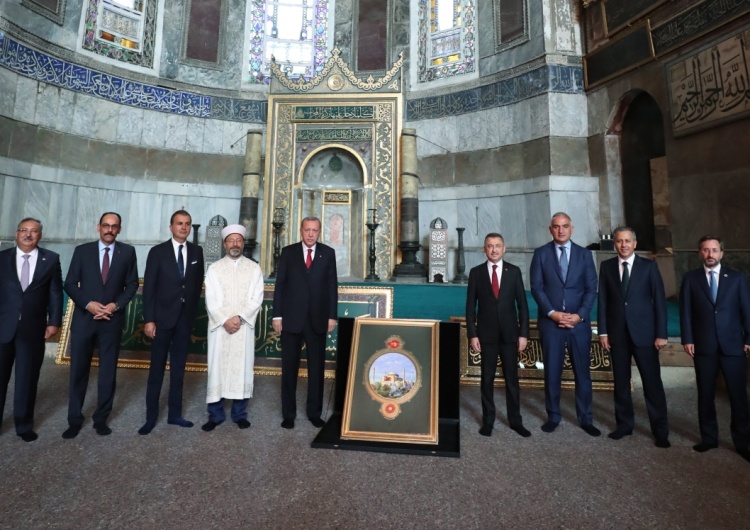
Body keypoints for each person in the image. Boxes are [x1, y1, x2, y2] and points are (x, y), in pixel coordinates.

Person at [62, 212, 138, 438]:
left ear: (120, 229)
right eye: (106, 226)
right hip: (85, 319)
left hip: (111, 320)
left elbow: (132, 284)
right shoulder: (82, 251)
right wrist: (88, 304)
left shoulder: (128, 252)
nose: (109, 230)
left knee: (107, 372)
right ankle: (74, 419)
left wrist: (115, 306)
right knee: (78, 371)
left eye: (114, 227)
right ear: (98, 227)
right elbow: (69, 283)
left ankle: (101, 419)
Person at [597, 227, 670, 448]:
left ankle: (660, 432)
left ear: (635, 243)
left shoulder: (648, 267)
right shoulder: (607, 267)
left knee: (652, 384)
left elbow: (659, 302)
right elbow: (603, 302)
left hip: (646, 336)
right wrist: (603, 332)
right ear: (615, 244)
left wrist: (661, 334)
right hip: (617, 335)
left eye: (627, 241)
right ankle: (624, 426)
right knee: (620, 383)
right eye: (619, 241)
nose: (623, 245)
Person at [680, 236, 750, 461]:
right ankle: (709, 438)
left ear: (722, 253)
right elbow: (686, 312)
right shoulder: (691, 279)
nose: (710, 254)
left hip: (733, 346)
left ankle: (743, 442)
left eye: (714, 250)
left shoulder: (737, 278)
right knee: (706, 394)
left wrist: (748, 337)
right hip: (704, 345)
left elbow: (746, 310)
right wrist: (687, 339)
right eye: (706, 250)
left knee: (738, 396)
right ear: (699, 253)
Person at [530, 212, 600, 436]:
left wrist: (579, 315)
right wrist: (552, 313)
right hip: (552, 324)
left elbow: (591, 289)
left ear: (572, 229)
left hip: (578, 325)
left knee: (583, 374)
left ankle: (586, 418)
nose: (561, 230)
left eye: (565, 226)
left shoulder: (584, 255)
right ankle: (553, 416)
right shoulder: (540, 254)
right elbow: (537, 288)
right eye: (556, 226)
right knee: (552, 372)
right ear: (550, 229)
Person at [138, 210, 205, 435]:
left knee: (178, 370)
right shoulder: (157, 252)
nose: (184, 227)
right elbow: (149, 289)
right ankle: (150, 418)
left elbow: (196, 287)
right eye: (179, 224)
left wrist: (191, 314)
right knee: (156, 370)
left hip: (184, 321)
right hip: (161, 320)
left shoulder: (197, 251)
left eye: (187, 224)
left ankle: (175, 415)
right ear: (171, 227)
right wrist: (149, 320)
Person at [0, 218, 63, 442]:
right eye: (24, 230)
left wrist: (54, 322)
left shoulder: (51, 259)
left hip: (33, 329)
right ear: (16, 234)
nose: (28, 234)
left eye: (34, 231)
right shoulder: (2, 258)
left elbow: (55, 293)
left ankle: (24, 425)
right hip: (3, 328)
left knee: (27, 379)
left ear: (40, 235)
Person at [273, 216, 338, 429]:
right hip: (291, 320)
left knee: (316, 369)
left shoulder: (328, 253)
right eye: (307, 230)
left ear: (320, 232)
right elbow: (280, 286)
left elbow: (331, 288)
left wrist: (332, 316)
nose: (310, 234)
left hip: (318, 320)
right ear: (301, 231)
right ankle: (288, 415)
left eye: (315, 230)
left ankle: (314, 413)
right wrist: (277, 316)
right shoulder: (288, 252)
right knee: (289, 368)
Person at [466, 233, 530, 438]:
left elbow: (523, 306)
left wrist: (523, 335)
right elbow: (470, 308)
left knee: (512, 380)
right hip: (486, 336)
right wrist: (473, 335)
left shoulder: (514, 272)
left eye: (498, 246)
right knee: (487, 379)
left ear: (504, 248)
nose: (494, 250)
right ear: (484, 249)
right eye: (490, 246)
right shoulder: (476, 273)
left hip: (511, 335)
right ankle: (488, 421)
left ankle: (515, 420)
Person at [201, 224, 264, 431]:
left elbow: (257, 298)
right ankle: (215, 415)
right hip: (221, 328)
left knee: (243, 369)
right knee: (217, 369)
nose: (235, 244)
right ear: (224, 244)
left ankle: (239, 414)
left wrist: (240, 317)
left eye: (238, 240)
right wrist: (225, 320)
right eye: (231, 240)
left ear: (243, 243)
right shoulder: (215, 268)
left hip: (243, 327)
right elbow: (211, 300)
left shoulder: (254, 268)